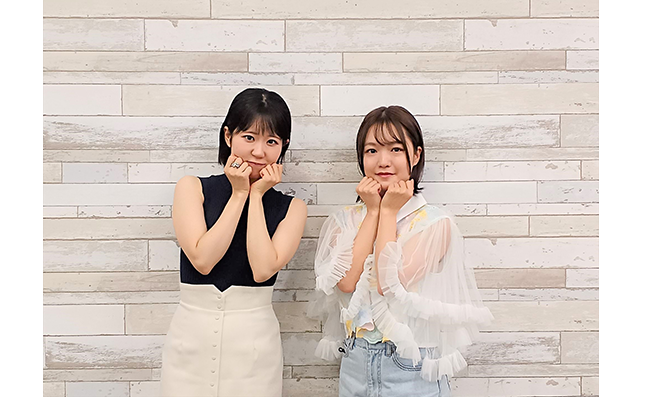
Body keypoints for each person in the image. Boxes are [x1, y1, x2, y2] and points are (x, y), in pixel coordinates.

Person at [309, 106, 493, 397]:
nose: (383, 161)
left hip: (411, 369)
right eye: (372, 151)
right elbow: (346, 282)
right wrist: (373, 211)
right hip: (355, 364)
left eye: (395, 149)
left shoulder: (435, 223)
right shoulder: (343, 220)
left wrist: (388, 211)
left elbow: (388, 284)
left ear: (416, 155)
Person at [160, 88, 308, 397]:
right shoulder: (192, 188)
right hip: (191, 341)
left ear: (284, 146)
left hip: (254, 346)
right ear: (228, 135)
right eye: (249, 137)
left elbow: (262, 270)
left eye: (271, 142)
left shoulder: (293, 208)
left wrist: (257, 195)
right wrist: (239, 193)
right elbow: (203, 260)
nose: (259, 152)